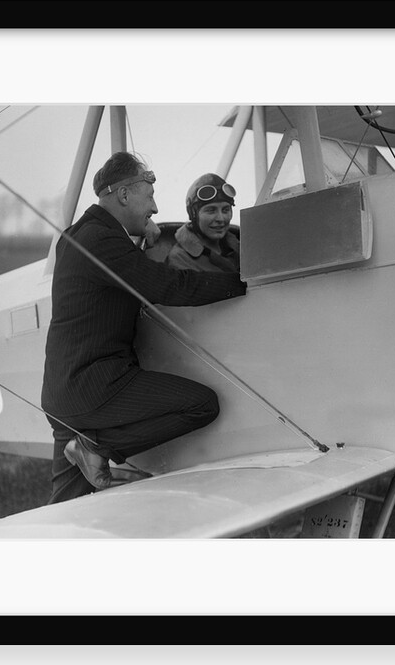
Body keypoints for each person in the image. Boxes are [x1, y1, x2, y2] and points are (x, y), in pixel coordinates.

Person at [41, 152, 247, 504]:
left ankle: (86, 448)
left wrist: (136, 236)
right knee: (201, 404)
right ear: (124, 195)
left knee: (65, 507)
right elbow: (169, 287)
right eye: (149, 197)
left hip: (63, 392)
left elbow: (111, 277)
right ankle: (97, 446)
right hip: (95, 385)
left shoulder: (79, 234)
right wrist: (244, 282)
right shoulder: (103, 241)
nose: (154, 209)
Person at [166, 173, 241, 273]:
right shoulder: (180, 258)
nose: (221, 218)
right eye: (211, 210)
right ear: (193, 214)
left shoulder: (239, 246)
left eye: (225, 210)